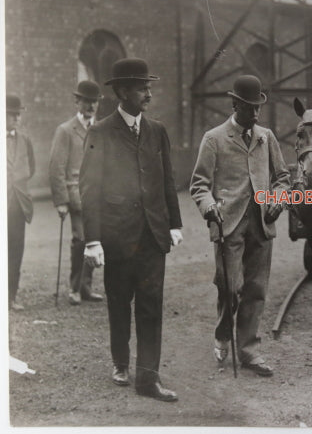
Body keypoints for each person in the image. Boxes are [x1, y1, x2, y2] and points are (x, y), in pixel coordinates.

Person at [80, 58, 183, 402]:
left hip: (153, 235)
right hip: (117, 237)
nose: (148, 94)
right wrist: (93, 240)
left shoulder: (157, 131)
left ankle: (148, 378)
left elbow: (167, 181)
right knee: (119, 303)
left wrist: (175, 224)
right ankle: (121, 361)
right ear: (122, 91)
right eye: (142, 88)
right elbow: (89, 188)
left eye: (149, 87)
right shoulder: (100, 132)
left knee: (151, 306)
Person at [190, 75, 290, 377]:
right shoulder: (214, 138)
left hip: (261, 222)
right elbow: (199, 184)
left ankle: (248, 350)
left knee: (256, 288)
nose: (255, 114)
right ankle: (222, 334)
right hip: (227, 223)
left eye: (258, 107)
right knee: (230, 287)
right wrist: (209, 208)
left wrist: (278, 199)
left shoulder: (266, 137)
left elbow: (282, 178)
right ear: (235, 105)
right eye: (249, 107)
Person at [49, 80, 104, 305]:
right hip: (76, 195)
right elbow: (56, 167)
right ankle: (74, 287)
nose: (91, 106)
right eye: (86, 101)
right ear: (77, 102)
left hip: (98, 196)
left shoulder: (100, 129)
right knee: (80, 240)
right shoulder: (65, 130)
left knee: (94, 240)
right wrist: (61, 201)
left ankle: (86, 287)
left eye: (94, 102)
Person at [6, 95, 34, 311]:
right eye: (10, 113)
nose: (14, 117)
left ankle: (11, 297)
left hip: (18, 206)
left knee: (15, 251)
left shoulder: (25, 140)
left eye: (17, 113)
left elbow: (30, 168)